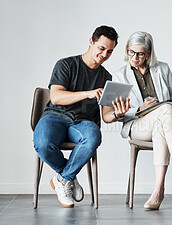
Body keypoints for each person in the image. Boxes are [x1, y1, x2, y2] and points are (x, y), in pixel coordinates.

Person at [102, 31, 172, 210]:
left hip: (169, 124)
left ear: (148, 53)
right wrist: (139, 110)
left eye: (140, 53)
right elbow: (110, 115)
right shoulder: (119, 76)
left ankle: (158, 191)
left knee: (165, 116)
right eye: (131, 52)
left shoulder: (163, 68)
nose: (134, 57)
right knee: (165, 111)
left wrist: (162, 107)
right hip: (138, 125)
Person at [33, 25, 119, 208]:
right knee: (42, 143)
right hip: (55, 116)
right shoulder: (66, 64)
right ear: (91, 42)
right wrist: (87, 93)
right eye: (101, 48)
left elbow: (106, 116)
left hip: (82, 122)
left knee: (93, 137)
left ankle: (63, 179)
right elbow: (56, 97)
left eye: (110, 52)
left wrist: (118, 114)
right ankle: (69, 176)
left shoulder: (107, 77)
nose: (104, 55)